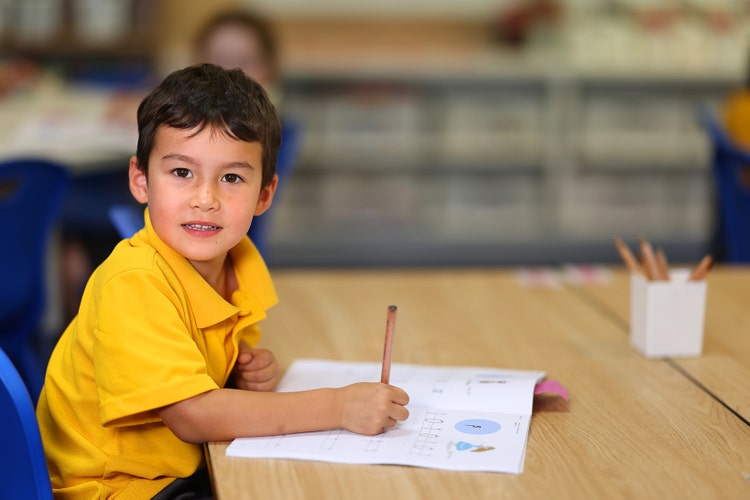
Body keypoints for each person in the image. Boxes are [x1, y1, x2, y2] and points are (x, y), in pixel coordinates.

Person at [36, 64, 409, 499]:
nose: (205, 198)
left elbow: (199, 377)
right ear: (141, 180)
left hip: (178, 471)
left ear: (264, 195)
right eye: (181, 173)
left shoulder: (237, 265)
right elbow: (192, 414)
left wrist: (239, 376)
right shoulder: (134, 283)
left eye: (231, 178)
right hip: (117, 489)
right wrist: (339, 406)